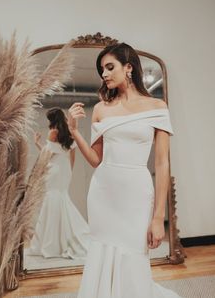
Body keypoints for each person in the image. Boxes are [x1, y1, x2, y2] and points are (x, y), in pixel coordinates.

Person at [67, 43, 183, 297]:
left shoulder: (157, 107)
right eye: (101, 70)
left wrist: (157, 217)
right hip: (103, 191)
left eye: (110, 67)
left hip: (136, 192)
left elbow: (162, 163)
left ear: (129, 67)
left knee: (133, 252)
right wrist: (74, 131)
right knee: (102, 248)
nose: (104, 74)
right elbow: (96, 159)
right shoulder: (100, 109)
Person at [28, 107, 90, 259]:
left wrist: (37, 143)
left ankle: (52, 243)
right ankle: (63, 239)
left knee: (52, 199)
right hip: (65, 170)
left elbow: (46, 156)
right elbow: (72, 157)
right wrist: (69, 172)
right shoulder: (70, 133)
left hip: (53, 170)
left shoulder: (52, 132)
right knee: (61, 198)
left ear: (52, 120)